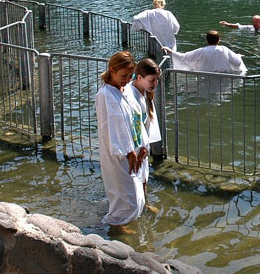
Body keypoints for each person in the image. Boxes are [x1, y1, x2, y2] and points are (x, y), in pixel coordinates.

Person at [95, 51, 147, 234]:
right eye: (123, 75)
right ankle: (114, 224)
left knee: (134, 191)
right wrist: (128, 151)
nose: (127, 79)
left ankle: (119, 222)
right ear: (112, 70)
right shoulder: (106, 94)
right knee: (124, 192)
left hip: (132, 147)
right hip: (117, 151)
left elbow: (136, 117)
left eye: (130, 76)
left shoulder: (125, 91)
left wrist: (142, 146)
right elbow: (115, 124)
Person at [129, 58, 162, 214]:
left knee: (144, 177)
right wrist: (139, 148)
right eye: (152, 80)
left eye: (156, 80)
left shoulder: (144, 92)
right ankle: (131, 210)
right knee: (133, 179)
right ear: (139, 77)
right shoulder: (131, 95)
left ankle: (144, 204)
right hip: (135, 146)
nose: (154, 84)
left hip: (143, 145)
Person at [163, 30, 247, 74]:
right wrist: (238, 56)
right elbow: (237, 62)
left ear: (206, 40)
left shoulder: (202, 51)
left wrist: (171, 51)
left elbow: (184, 57)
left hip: (206, 77)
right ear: (218, 40)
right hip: (224, 78)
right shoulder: (224, 49)